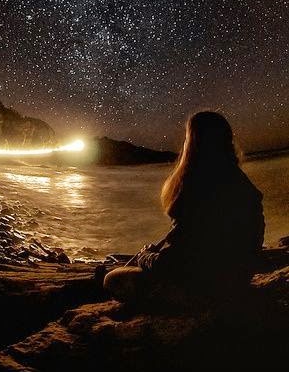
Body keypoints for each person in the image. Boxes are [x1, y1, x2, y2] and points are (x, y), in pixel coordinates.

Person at [104, 111, 265, 305]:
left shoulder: (196, 187)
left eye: (187, 138)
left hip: (205, 290)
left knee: (112, 279)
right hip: (238, 281)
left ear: (193, 144)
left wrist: (145, 256)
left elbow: (172, 266)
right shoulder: (243, 184)